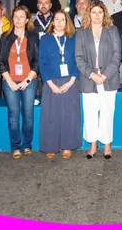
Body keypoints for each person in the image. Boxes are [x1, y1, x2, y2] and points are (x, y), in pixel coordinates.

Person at [75, 2, 121, 160]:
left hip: (109, 79)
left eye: (100, 12)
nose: (96, 15)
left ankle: (107, 144)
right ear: (88, 13)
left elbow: (116, 55)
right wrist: (92, 75)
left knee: (107, 112)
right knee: (90, 113)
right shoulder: (81, 32)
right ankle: (93, 144)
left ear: (104, 13)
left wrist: (105, 75)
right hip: (89, 79)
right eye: (93, 12)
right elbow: (79, 58)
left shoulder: (112, 30)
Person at [0, 6, 40, 159]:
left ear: (27, 19)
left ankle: (27, 144)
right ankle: (15, 146)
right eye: (15, 16)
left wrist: (27, 80)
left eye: (21, 17)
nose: (18, 20)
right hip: (10, 81)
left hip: (29, 81)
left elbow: (37, 61)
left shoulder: (33, 37)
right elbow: (0, 61)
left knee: (28, 115)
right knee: (13, 114)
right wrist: (10, 81)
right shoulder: (5, 37)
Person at [38, 11, 81, 159]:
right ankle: (50, 146)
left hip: (70, 81)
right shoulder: (45, 39)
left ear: (67, 22)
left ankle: (67, 145)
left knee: (69, 114)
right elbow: (42, 63)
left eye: (63, 19)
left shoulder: (73, 38)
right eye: (57, 19)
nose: (60, 22)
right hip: (51, 81)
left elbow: (78, 60)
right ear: (52, 21)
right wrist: (50, 84)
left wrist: (71, 81)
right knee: (51, 115)